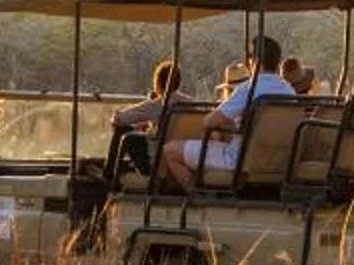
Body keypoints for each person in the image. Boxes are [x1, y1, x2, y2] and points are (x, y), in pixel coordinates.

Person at [165, 34, 290, 190]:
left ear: (256, 60)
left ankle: (196, 200)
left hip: (239, 159)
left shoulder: (249, 89)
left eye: (250, 56)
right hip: (277, 159)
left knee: (170, 150)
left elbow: (209, 122)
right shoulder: (288, 90)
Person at [110, 61, 178, 182]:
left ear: (157, 83)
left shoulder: (157, 104)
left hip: (157, 160)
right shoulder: (188, 103)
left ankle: (109, 175)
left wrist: (149, 104)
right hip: (179, 158)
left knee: (123, 133)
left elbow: (118, 118)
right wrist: (146, 124)